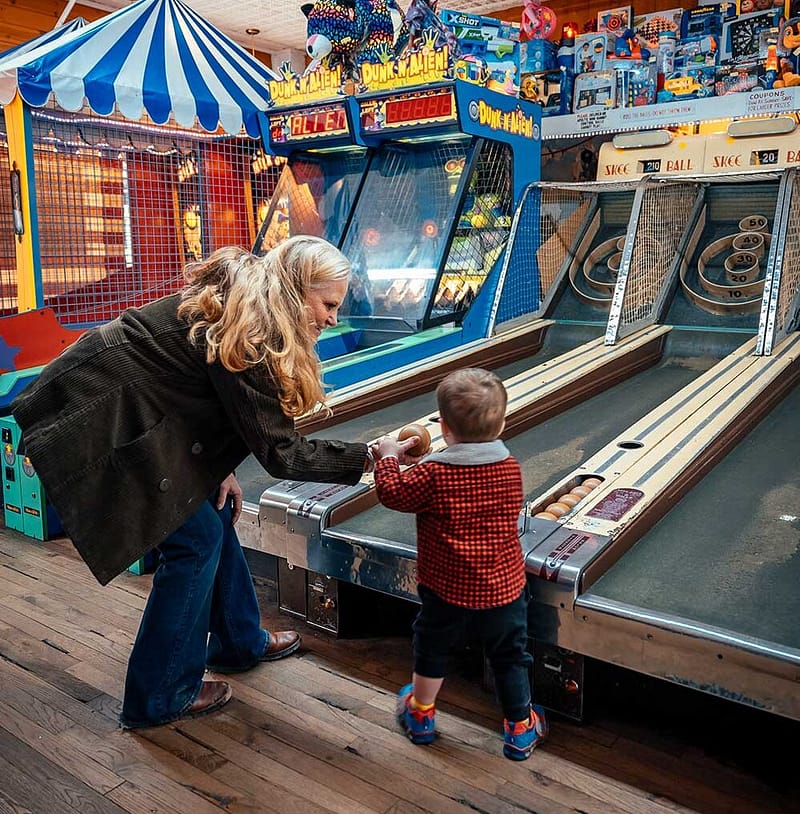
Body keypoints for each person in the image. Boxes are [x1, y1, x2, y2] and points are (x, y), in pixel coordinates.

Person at [11, 235, 422, 730]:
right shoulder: (252, 330)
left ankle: (238, 640)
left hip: (133, 409)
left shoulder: (247, 295)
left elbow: (195, 389)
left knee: (215, 515)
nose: (333, 318)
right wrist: (372, 455)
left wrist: (217, 469)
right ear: (296, 290)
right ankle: (158, 696)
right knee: (195, 543)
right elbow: (282, 453)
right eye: (328, 304)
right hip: (98, 417)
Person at [369, 367, 548, 761]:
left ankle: (420, 715)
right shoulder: (509, 468)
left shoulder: (433, 473)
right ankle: (519, 729)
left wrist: (388, 458)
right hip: (502, 590)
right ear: (502, 422)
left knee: (431, 649)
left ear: (444, 428)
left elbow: (392, 493)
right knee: (510, 656)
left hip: (445, 590)